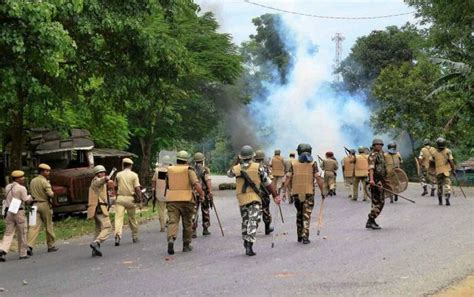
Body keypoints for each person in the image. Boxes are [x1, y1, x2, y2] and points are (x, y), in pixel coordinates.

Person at [227, 145, 281, 256]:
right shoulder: (258, 167)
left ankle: (245, 240)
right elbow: (268, 183)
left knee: (245, 220)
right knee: (254, 220)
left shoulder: (236, 168)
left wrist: (237, 161)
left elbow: (229, 174)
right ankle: (249, 243)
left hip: (241, 198)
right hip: (255, 197)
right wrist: (275, 195)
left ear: (241, 157)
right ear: (252, 156)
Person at [283, 143, 324, 244]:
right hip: (309, 192)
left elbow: (288, 177)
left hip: (296, 193)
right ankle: (305, 236)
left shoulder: (293, 163)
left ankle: (299, 236)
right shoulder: (313, 163)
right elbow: (318, 178)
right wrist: (323, 191)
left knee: (299, 213)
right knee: (307, 215)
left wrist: (284, 191)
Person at [166, 151, 205, 255]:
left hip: (172, 199)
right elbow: (196, 184)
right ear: (186, 160)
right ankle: (186, 245)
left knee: (173, 221)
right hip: (187, 200)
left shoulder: (170, 170)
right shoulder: (189, 170)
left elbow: (167, 184)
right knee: (187, 223)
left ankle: (171, 238)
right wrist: (202, 195)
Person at [0, 170, 33, 261]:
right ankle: (23, 253)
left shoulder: (8, 187)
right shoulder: (22, 188)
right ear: (17, 179)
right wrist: (30, 197)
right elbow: (26, 200)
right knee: (22, 232)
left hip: (9, 212)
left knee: (8, 233)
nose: (23, 178)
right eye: (21, 177)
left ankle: (2, 249)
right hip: (19, 212)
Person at [27, 163, 58, 255]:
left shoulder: (32, 181)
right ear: (42, 171)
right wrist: (52, 192)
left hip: (34, 205)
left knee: (33, 226)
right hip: (44, 204)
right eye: (47, 171)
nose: (48, 172)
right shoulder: (45, 181)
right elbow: (50, 194)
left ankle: (29, 246)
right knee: (48, 225)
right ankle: (51, 245)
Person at [114, 158, 142, 246]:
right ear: (131, 165)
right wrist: (140, 200)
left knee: (118, 218)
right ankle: (135, 236)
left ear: (123, 165)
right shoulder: (134, 175)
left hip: (120, 199)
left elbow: (115, 186)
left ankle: (117, 236)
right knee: (132, 218)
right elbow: (137, 189)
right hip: (130, 199)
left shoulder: (118, 175)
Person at [88, 165, 113, 257]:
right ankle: (96, 242)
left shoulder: (99, 182)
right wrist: (105, 178)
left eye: (104, 172)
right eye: (101, 172)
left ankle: (95, 250)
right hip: (99, 209)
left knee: (98, 229)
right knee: (108, 227)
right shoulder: (96, 181)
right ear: (97, 174)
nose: (103, 174)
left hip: (97, 208)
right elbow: (100, 181)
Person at [366, 138, 387, 230]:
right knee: (379, 201)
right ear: (374, 146)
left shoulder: (381, 154)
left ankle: (371, 220)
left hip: (381, 181)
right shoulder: (372, 155)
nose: (379, 146)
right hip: (375, 181)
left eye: (381, 145)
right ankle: (371, 219)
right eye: (377, 145)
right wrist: (371, 180)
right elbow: (371, 168)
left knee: (379, 201)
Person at [192, 152, 213, 238]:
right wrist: (210, 191)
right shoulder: (205, 170)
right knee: (205, 210)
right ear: (202, 160)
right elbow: (208, 181)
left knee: (194, 211)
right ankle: (205, 229)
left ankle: (193, 231)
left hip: (194, 193)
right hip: (204, 192)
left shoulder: (191, 169)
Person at [254, 149, 274, 235]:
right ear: (262, 158)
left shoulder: (252, 168)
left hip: (254, 192)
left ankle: (253, 229)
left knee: (255, 210)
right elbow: (270, 180)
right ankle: (267, 228)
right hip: (265, 193)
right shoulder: (265, 168)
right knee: (266, 210)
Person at [432, 138, 456, 206]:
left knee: (439, 186)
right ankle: (447, 199)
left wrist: (435, 168)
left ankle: (440, 201)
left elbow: (431, 161)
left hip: (438, 171)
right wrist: (453, 170)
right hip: (446, 171)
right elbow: (451, 161)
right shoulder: (448, 151)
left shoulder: (434, 152)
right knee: (447, 185)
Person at [151, 156, 172, 232]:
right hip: (170, 193)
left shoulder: (157, 170)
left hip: (159, 193)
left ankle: (162, 226)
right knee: (170, 209)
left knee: (161, 210)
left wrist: (153, 190)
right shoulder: (171, 170)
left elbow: (153, 181)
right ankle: (168, 220)